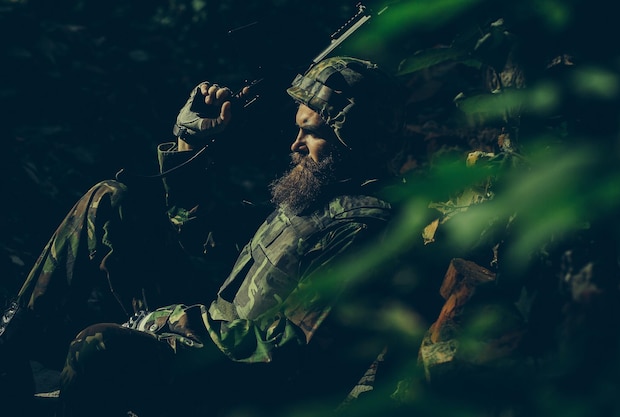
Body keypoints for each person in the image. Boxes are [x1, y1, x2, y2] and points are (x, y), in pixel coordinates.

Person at [0, 56, 410, 417]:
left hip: (234, 386)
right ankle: (8, 357)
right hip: (209, 337)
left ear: (354, 138)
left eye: (311, 133)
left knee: (96, 348)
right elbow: (206, 240)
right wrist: (188, 142)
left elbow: (289, 350)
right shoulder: (324, 192)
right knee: (110, 200)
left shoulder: (363, 229)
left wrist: (169, 323)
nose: (296, 144)